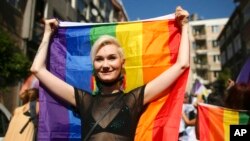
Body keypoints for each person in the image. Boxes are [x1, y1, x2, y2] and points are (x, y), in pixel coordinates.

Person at [30, 6, 190, 141]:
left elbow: (182, 65)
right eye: (99, 59)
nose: (105, 65)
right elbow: (37, 69)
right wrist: (47, 35)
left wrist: (184, 26)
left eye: (112, 58)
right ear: (94, 66)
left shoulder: (133, 99)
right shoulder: (83, 100)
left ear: (122, 63)